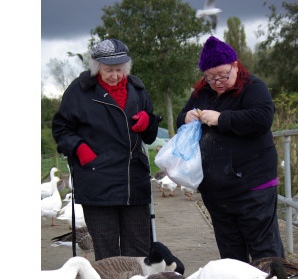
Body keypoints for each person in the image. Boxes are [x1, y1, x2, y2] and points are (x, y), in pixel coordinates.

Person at [177, 36, 285, 263]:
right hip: (216, 190)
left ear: (235, 66)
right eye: (210, 77)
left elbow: (263, 118)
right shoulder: (202, 93)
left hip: (253, 186)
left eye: (223, 75)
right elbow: (182, 118)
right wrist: (184, 117)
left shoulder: (253, 88)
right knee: (231, 253)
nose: (217, 82)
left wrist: (221, 119)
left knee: (264, 248)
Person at [52, 38, 162, 261]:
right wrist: (79, 147)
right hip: (97, 181)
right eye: (108, 70)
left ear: (127, 68)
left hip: (134, 183)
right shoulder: (79, 91)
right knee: (107, 252)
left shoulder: (138, 90)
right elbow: (61, 129)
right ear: (96, 68)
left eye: (119, 70)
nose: (114, 75)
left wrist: (148, 121)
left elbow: (149, 136)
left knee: (139, 251)